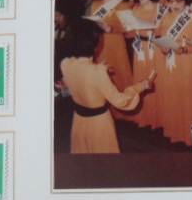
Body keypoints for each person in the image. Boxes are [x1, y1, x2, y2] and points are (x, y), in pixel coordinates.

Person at [59, 21, 153, 154]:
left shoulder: (65, 63)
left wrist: (99, 69)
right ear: (95, 45)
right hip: (99, 123)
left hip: (79, 120)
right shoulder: (97, 72)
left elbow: (80, 81)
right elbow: (120, 101)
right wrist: (140, 87)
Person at [154, 0, 192, 147]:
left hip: (191, 65)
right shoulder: (167, 16)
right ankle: (176, 133)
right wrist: (164, 48)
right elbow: (163, 37)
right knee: (175, 98)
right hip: (173, 64)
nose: (174, 5)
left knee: (191, 100)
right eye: (171, 1)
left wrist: (184, 49)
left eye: (178, 1)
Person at [128, 0, 164, 129]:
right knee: (142, 79)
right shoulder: (135, 9)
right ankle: (146, 117)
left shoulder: (160, 8)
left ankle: (161, 119)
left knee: (157, 81)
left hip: (155, 48)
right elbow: (131, 33)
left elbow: (164, 30)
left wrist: (152, 30)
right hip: (140, 49)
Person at [88, 0, 134, 94]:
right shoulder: (95, 5)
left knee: (119, 73)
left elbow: (131, 31)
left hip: (116, 44)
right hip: (99, 44)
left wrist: (112, 29)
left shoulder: (122, 5)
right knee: (102, 74)